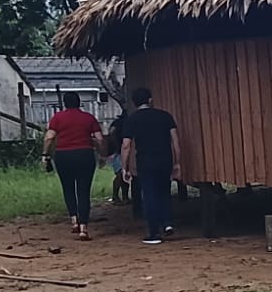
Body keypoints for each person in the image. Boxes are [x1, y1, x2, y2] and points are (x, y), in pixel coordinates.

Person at [120, 86, 181, 246]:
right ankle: (167, 222)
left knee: (149, 195)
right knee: (164, 192)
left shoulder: (132, 119)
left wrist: (124, 167)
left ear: (134, 103)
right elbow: (175, 141)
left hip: (145, 161)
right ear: (150, 100)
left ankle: (153, 233)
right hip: (165, 160)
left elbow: (126, 145)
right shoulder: (165, 116)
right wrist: (177, 162)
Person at [41, 92, 105, 240]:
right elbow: (100, 139)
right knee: (83, 191)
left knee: (68, 188)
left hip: (63, 156)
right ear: (79, 103)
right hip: (85, 155)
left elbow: (49, 137)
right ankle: (84, 228)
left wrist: (45, 155)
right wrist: (102, 154)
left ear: (64, 103)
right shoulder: (88, 118)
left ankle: (74, 221)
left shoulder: (57, 118)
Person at [103, 112, 131, 205]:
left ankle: (123, 197)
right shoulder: (122, 124)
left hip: (118, 150)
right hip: (119, 150)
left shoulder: (116, 123)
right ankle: (117, 196)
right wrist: (118, 148)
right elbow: (112, 135)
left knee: (123, 174)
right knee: (120, 174)